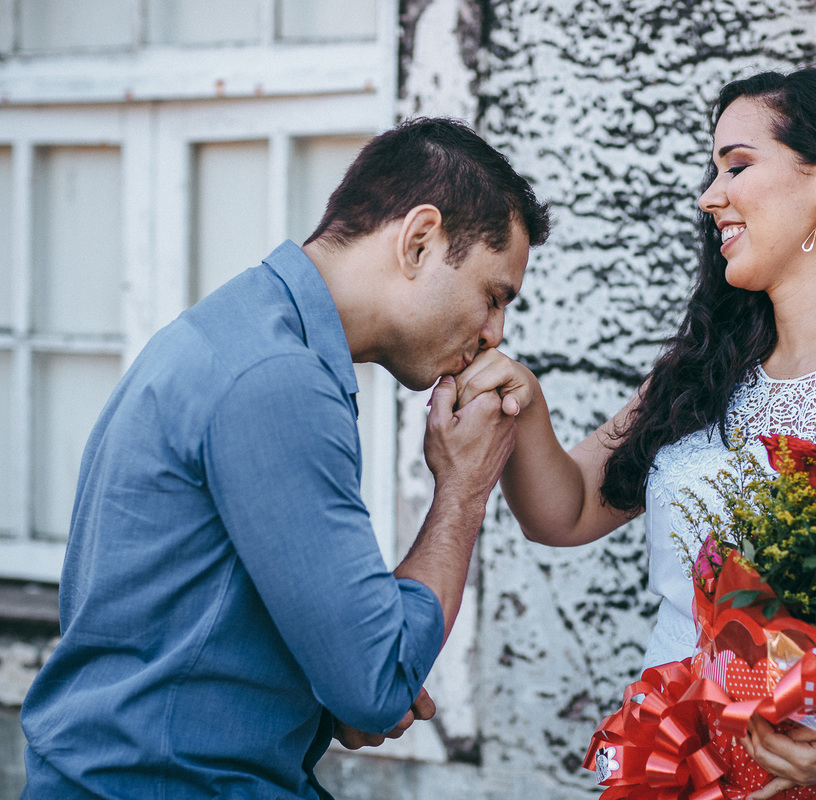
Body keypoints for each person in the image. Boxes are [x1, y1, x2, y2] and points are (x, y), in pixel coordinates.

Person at [453, 68, 816, 799]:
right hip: (675, 754)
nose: (709, 196)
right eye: (712, 169)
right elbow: (563, 512)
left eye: (738, 166)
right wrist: (522, 401)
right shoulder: (701, 369)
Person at [20, 118, 550, 799]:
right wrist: (464, 489)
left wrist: (317, 698)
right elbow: (377, 685)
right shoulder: (277, 378)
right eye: (493, 294)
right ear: (419, 241)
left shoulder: (238, 335)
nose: (495, 333)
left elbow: (193, 617)